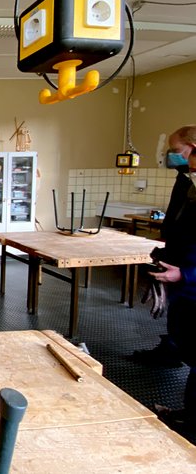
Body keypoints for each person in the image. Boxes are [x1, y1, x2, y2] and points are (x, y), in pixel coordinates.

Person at [137, 125, 196, 435]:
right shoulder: (187, 180)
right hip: (186, 284)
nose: (171, 156)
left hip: (191, 281)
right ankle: (189, 414)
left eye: (175, 150)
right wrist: (168, 250)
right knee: (187, 343)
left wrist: (185, 273)